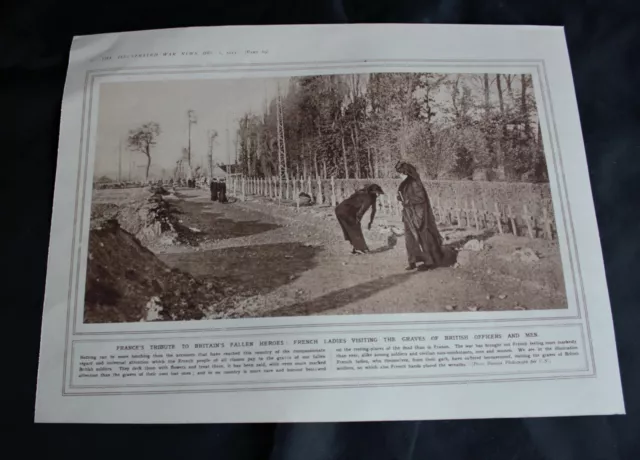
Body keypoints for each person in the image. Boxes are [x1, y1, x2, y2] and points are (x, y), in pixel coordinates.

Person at [395, 161, 444, 271]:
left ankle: (429, 262)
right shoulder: (404, 183)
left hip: (418, 215)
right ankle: (412, 262)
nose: (399, 176)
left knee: (423, 238)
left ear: (406, 173)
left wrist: (407, 201)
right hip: (408, 215)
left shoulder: (414, 182)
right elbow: (404, 196)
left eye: (401, 173)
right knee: (409, 239)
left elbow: (421, 198)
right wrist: (400, 198)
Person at [335, 184, 384, 254]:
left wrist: (370, 222)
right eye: (377, 193)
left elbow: (374, 210)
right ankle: (360, 249)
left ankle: (356, 247)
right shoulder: (369, 198)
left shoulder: (365, 193)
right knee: (355, 228)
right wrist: (358, 219)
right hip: (345, 210)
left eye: (379, 193)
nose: (378, 195)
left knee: (351, 229)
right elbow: (362, 211)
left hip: (339, 209)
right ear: (372, 192)